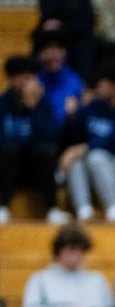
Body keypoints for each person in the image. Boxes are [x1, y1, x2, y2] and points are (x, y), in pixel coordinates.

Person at [60, 58, 115, 224]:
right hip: (89, 166)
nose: (98, 86)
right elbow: (74, 134)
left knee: (95, 155)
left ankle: (114, 210)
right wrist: (72, 116)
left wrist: (84, 148)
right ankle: (84, 211)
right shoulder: (95, 106)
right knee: (78, 160)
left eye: (103, 82)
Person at [0, 56, 67, 225]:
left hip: (37, 169)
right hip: (9, 167)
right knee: (8, 150)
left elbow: (51, 137)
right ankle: (2, 207)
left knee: (44, 150)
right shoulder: (2, 104)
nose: (26, 81)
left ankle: (52, 208)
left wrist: (31, 108)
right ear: (11, 79)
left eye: (30, 76)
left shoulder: (43, 103)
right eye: (21, 76)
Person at [34, 30, 84, 132]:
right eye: (48, 48)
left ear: (65, 52)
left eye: (58, 48)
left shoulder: (76, 82)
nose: (53, 54)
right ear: (39, 54)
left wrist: (74, 115)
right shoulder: (33, 81)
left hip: (66, 136)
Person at [35, 0, 96, 78]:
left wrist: (62, 26)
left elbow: (85, 24)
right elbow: (46, 14)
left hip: (77, 38)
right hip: (52, 35)